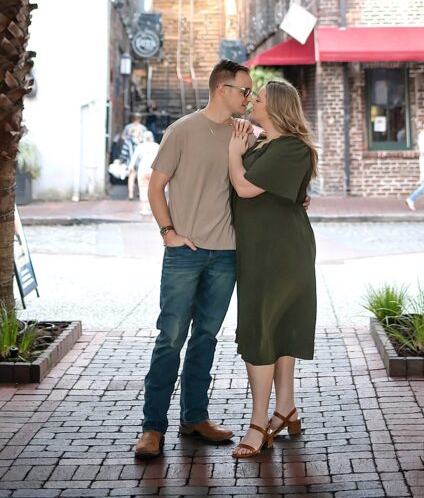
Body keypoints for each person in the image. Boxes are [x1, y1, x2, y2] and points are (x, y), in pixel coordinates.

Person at [133, 59, 253, 460]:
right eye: (244, 90)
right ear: (223, 89)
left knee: (206, 337)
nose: (248, 98)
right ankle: (152, 428)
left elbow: (258, 182)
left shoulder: (244, 134)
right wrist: (169, 234)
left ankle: (195, 418)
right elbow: (156, 188)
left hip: (227, 254)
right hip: (185, 253)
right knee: (170, 338)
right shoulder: (182, 130)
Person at [228, 80, 317, 459]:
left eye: (259, 97)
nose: (252, 100)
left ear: (276, 107)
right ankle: (287, 410)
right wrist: (245, 147)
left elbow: (246, 189)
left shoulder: (292, 148)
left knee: (262, 330)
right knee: (274, 329)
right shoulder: (267, 144)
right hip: (259, 250)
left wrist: (235, 153)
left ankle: (259, 422)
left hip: (280, 253)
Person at [136, 130, 159, 214]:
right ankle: (152, 207)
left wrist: (129, 168)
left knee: (142, 189)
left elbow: (134, 159)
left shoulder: (140, 146)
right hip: (153, 170)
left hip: (142, 170)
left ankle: (144, 208)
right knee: (153, 189)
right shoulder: (156, 146)